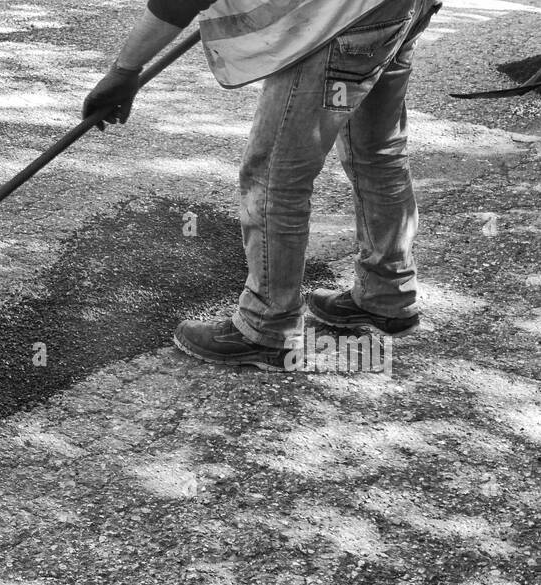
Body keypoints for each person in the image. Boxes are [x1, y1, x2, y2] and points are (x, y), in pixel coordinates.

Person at [83, 0, 442, 369]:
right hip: (398, 7)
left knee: (275, 174)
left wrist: (124, 69)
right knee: (377, 151)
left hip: (338, 18)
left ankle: (267, 326)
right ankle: (387, 293)